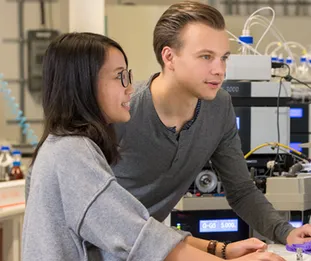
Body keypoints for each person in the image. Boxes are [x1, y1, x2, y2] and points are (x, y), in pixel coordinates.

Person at [22, 32, 286, 261]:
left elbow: (138, 226)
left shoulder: (71, 148)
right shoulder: (70, 153)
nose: (129, 87)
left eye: (129, 75)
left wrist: (220, 251)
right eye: (119, 77)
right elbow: (138, 237)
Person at [111, 0, 311, 254]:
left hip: (149, 247)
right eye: (206, 57)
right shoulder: (123, 110)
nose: (220, 70)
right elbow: (96, 213)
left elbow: (241, 190)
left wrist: (287, 232)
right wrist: (220, 252)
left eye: (223, 58)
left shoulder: (219, 106)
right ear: (169, 57)